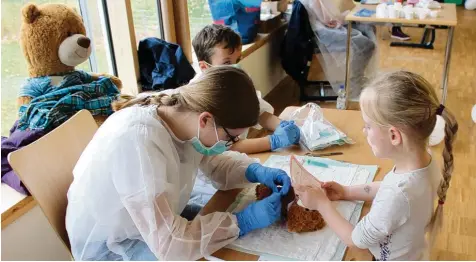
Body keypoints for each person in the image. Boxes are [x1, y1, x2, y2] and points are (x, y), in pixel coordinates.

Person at [65, 66, 291, 261]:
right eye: (231, 138)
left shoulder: (185, 108)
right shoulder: (137, 142)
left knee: (227, 223)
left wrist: (254, 171)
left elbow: (214, 161)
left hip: (153, 219)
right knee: (226, 235)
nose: (232, 144)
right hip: (114, 245)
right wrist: (243, 222)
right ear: (205, 120)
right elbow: (170, 245)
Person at [294, 71, 458, 260]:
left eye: (368, 126)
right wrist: (346, 192)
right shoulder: (423, 162)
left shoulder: (398, 194)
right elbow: (389, 187)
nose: (364, 131)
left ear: (394, 136)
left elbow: (354, 240)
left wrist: (321, 204)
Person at [191, 24, 301, 154]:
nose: (235, 67)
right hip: (217, 163)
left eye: (237, 60)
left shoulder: (237, 81)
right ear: (204, 67)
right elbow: (227, 147)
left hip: (238, 159)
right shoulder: (200, 97)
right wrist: (273, 141)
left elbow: (258, 112)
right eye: (227, 63)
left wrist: (283, 126)